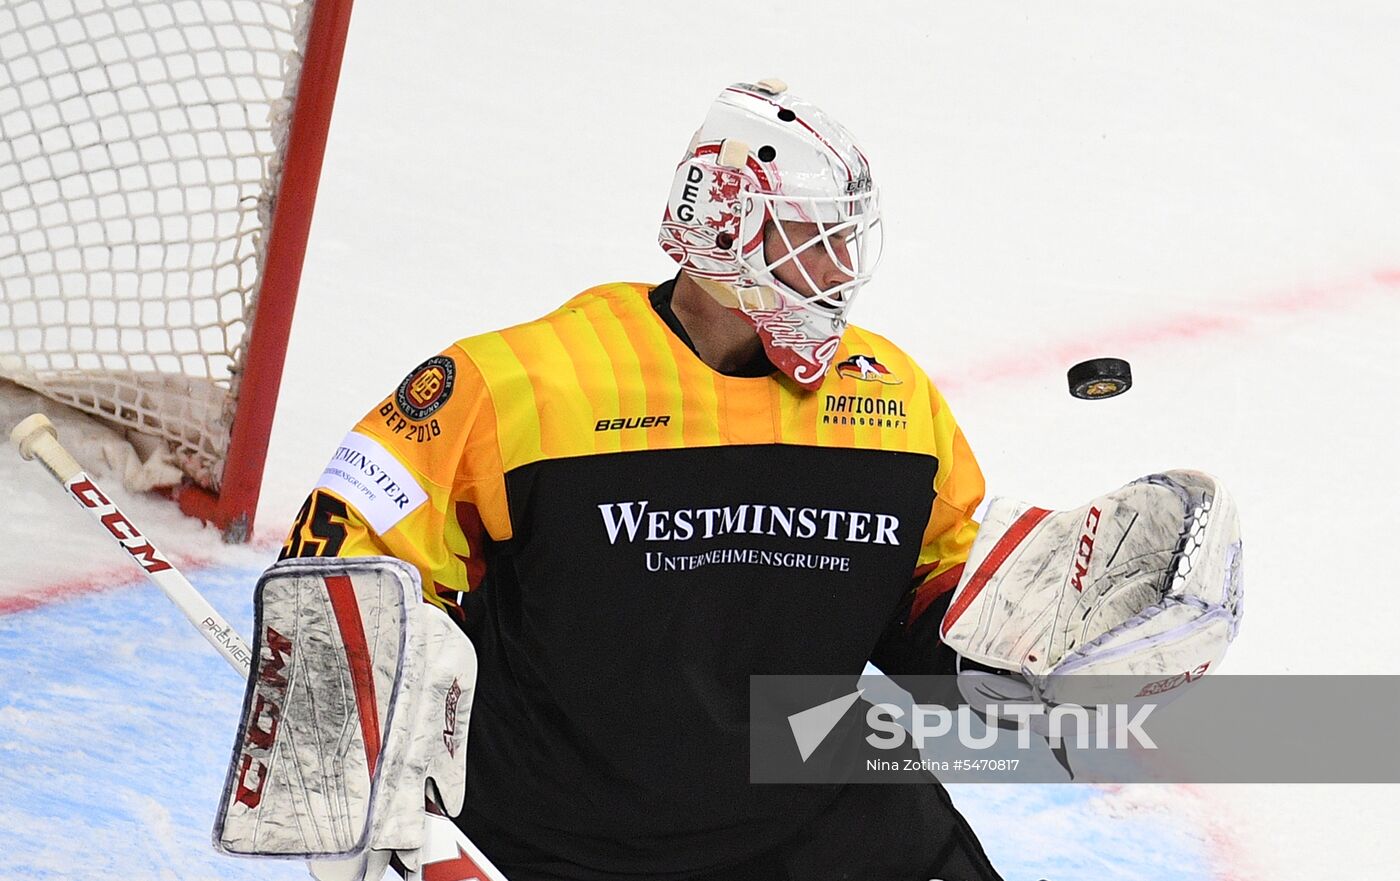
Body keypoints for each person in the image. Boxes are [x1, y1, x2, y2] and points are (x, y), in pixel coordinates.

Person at [279, 79, 1003, 881]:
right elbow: (336, 570)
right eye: (815, 238)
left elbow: (939, 609)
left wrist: (1038, 645)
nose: (839, 270)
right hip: (563, 838)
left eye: (847, 241)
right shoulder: (522, 385)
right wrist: (382, 796)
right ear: (727, 225)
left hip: (810, 814)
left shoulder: (892, 398)